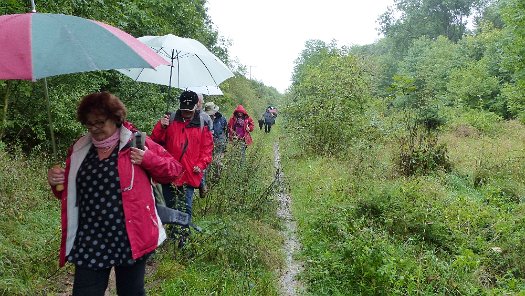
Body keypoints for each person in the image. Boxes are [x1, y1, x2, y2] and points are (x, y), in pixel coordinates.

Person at [47, 91, 182, 296]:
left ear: (116, 118)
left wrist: (148, 159)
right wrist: (57, 182)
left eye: (100, 122)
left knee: (131, 292)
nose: (94, 128)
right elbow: (71, 194)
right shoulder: (80, 149)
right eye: (89, 124)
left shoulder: (137, 142)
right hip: (90, 238)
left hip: (130, 236)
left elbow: (174, 170)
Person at [151, 90, 213, 247]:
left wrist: (200, 165)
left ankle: (183, 238)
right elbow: (155, 142)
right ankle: (173, 234)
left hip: (190, 173)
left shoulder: (201, 124)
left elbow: (207, 150)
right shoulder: (170, 120)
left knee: (186, 207)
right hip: (170, 172)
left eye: (189, 111)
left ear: (195, 108)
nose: (186, 114)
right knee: (171, 206)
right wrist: (161, 127)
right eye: (184, 110)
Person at [196, 93, 212, 198]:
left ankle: (202, 185)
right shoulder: (180, 116)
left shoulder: (205, 117)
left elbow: (209, 136)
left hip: (201, 149)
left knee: (200, 168)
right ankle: (202, 185)